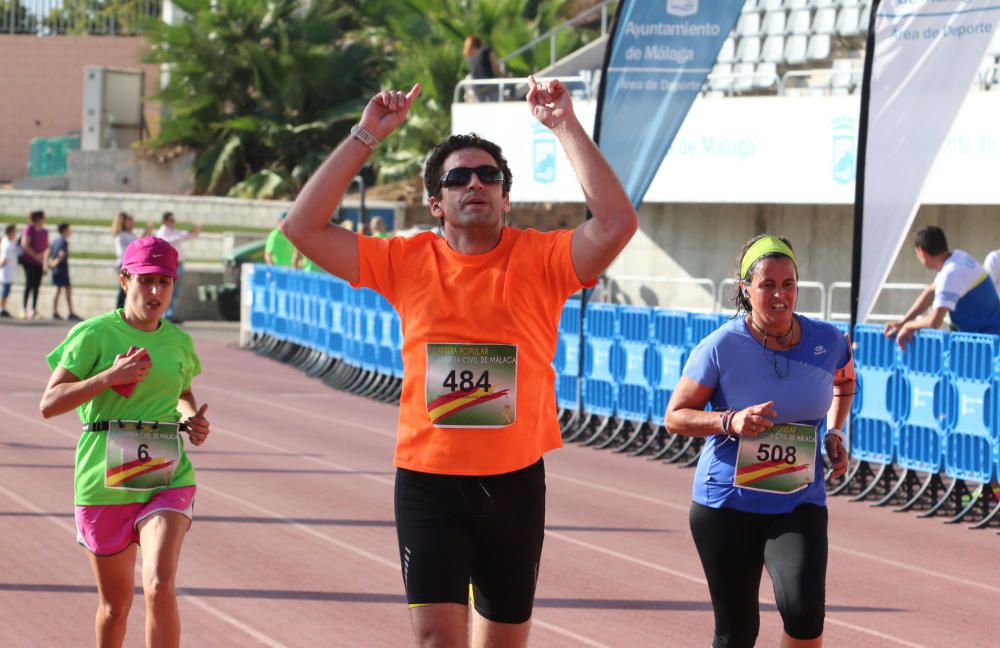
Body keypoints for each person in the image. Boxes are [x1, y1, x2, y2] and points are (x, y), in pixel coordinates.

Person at [282, 77, 637, 647]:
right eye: (458, 177)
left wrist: (564, 125)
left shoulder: (543, 258)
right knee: (436, 641)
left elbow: (618, 223)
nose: (475, 183)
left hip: (514, 483)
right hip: (429, 483)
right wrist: (366, 135)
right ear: (436, 203)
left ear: (505, 198)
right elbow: (301, 228)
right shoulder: (404, 259)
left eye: (488, 176)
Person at [664, 234, 854, 648]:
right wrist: (730, 421)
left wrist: (837, 432)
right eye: (767, 284)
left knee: (805, 616)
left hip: (798, 499)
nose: (780, 294)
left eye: (788, 284)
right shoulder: (720, 346)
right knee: (737, 632)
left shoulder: (829, 341)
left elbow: (845, 383)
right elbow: (675, 417)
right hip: (727, 504)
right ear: (746, 291)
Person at [39, 236, 210, 648]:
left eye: (165, 282)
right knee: (115, 609)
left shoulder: (179, 341)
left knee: (158, 586)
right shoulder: (93, 334)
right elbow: (49, 404)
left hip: (166, 476)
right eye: (146, 281)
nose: (156, 292)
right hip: (103, 480)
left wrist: (190, 420)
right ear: (124, 280)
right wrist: (107, 379)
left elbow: (182, 393)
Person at [884, 226, 1000, 349]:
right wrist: (903, 322)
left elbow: (934, 321)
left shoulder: (949, 274)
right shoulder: (958, 258)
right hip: (988, 340)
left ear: (921, 252)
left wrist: (909, 326)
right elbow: (931, 291)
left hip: (989, 346)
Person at [156, 212, 202, 324]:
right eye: (171, 220)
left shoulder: (172, 232)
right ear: (165, 221)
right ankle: (165, 314)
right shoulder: (162, 232)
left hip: (177, 264)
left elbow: (185, 236)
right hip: (170, 265)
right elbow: (173, 239)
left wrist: (194, 231)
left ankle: (169, 313)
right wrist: (187, 234)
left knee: (174, 291)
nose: (173, 222)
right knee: (168, 290)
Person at [112, 212, 152, 309]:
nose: (132, 223)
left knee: (128, 288)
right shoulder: (122, 235)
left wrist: (147, 231)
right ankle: (119, 309)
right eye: (130, 221)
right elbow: (137, 245)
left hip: (129, 263)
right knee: (125, 288)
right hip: (124, 263)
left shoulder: (129, 234)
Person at [19, 210, 49, 320]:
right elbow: (24, 244)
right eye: (43, 217)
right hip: (29, 261)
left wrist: (43, 261)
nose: (44, 220)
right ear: (38, 218)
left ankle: (33, 309)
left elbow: (46, 247)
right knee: (29, 284)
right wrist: (35, 255)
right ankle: (23, 309)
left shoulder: (45, 231)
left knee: (37, 286)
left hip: (39, 262)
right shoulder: (29, 229)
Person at [49, 222, 81, 321]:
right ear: (64, 230)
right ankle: (69, 312)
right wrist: (55, 263)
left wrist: (49, 264)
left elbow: (48, 252)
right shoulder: (64, 242)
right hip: (62, 270)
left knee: (60, 290)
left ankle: (56, 312)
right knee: (63, 290)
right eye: (68, 229)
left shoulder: (54, 241)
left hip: (56, 270)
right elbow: (62, 255)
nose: (70, 231)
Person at [464, 35, 505, 101]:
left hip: (477, 88)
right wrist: (504, 76)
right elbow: (496, 68)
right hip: (490, 84)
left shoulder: (468, 57)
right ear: (479, 42)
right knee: (511, 86)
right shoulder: (486, 51)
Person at [0, 224, 18, 317]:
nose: (16, 232)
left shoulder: (9, 241)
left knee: (5, 290)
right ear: (10, 232)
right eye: (15, 231)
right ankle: (1, 308)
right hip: (6, 272)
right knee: (4, 291)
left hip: (9, 271)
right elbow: (4, 260)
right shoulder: (7, 244)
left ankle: (2, 308)